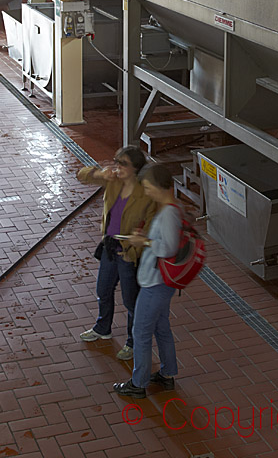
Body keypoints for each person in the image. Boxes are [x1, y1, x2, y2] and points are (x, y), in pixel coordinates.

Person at [76, 146, 155, 361]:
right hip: (110, 246)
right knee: (103, 289)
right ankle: (103, 327)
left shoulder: (145, 192)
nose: (117, 167)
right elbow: (81, 175)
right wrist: (100, 173)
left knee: (131, 300)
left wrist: (133, 251)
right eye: (116, 161)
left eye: (123, 164)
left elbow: (149, 226)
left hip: (128, 252)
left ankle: (133, 341)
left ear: (136, 168)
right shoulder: (113, 181)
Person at [113, 162, 180, 398]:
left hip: (156, 284)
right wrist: (145, 237)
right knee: (161, 328)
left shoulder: (169, 213)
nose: (147, 191)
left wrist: (146, 243)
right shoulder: (166, 209)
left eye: (149, 187)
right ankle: (167, 374)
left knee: (140, 332)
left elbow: (169, 248)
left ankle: (138, 383)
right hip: (160, 282)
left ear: (162, 186)